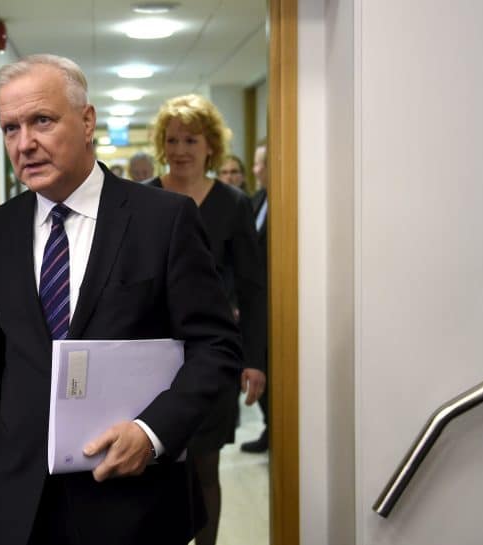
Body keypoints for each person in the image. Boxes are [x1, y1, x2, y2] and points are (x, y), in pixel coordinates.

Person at [0, 54, 243, 545]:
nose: (24, 143)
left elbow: (216, 347)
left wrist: (152, 433)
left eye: (42, 121)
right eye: (10, 128)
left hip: (132, 498)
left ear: (87, 121)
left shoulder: (164, 219)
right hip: (22, 497)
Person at [146, 94, 267, 545]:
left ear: (210, 145)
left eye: (191, 140)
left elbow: (253, 289)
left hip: (212, 353)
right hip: (154, 352)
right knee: (155, 466)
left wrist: (254, 360)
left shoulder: (234, 204)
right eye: (172, 140)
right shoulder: (146, 199)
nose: (180, 150)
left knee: (204, 466)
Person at [241, 139, 270, 453]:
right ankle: (269, 427)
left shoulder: (287, 202)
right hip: (253, 297)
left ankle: (275, 429)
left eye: (261, 163)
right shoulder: (257, 199)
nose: (256, 169)